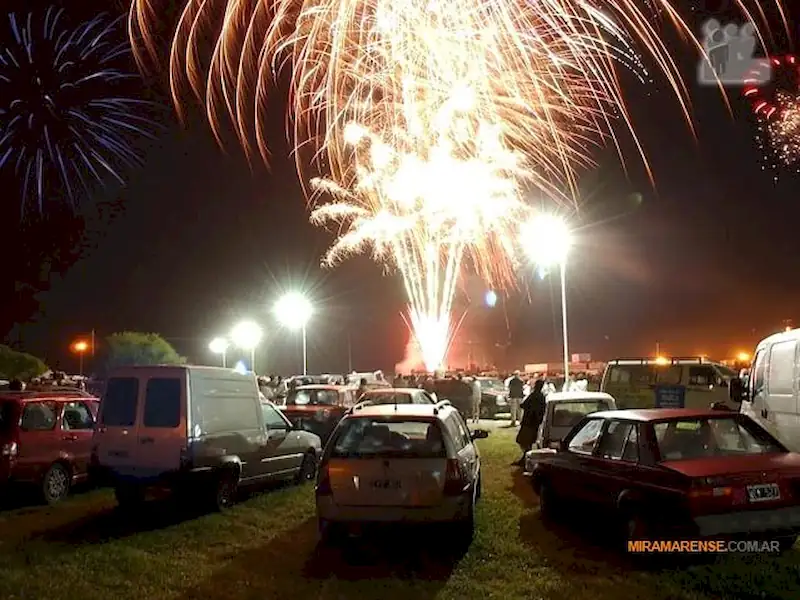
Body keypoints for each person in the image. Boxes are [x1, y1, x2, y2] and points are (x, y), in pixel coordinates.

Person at [514, 380, 546, 466]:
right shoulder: (542, 397)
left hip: (528, 422)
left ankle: (526, 458)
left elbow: (523, 405)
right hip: (535, 423)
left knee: (522, 440)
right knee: (529, 441)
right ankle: (525, 458)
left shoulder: (533, 395)